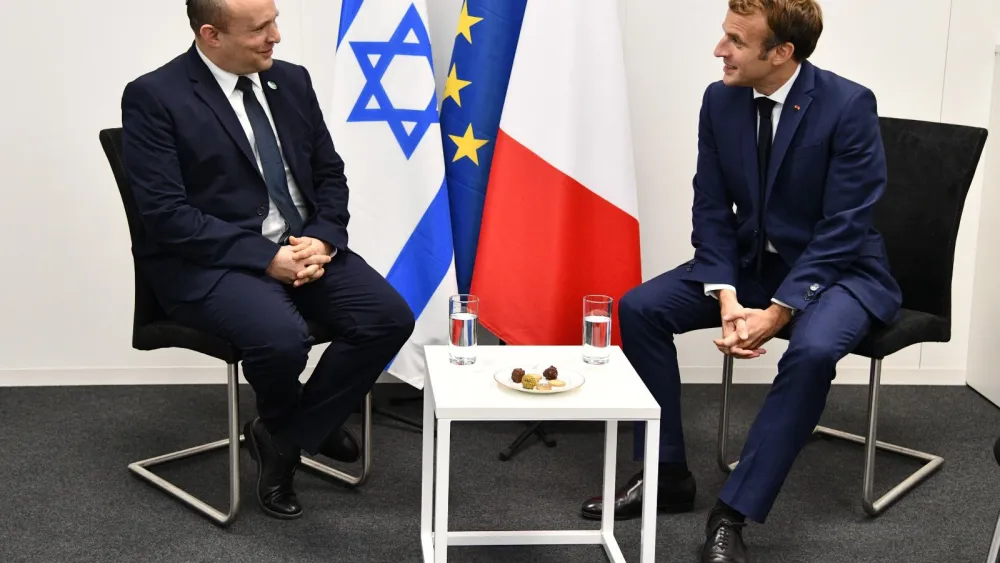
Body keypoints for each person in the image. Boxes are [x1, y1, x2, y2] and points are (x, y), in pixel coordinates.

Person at [578, 1, 901, 561]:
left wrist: (779, 310)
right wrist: (725, 294)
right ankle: (665, 473)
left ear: (781, 53)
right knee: (640, 308)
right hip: (750, 267)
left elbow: (844, 228)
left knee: (812, 351)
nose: (719, 50)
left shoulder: (848, 105)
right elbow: (711, 207)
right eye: (724, 35)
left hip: (840, 272)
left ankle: (732, 513)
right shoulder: (719, 99)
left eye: (736, 41)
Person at [120, 0, 415, 520]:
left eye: (274, 20)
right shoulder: (155, 96)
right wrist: (266, 257)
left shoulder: (291, 81)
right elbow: (167, 216)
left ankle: (284, 436)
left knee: (388, 318)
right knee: (281, 339)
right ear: (211, 34)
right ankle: (304, 425)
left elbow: (329, 175)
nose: (276, 36)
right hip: (212, 262)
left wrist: (322, 239)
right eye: (260, 28)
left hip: (303, 245)